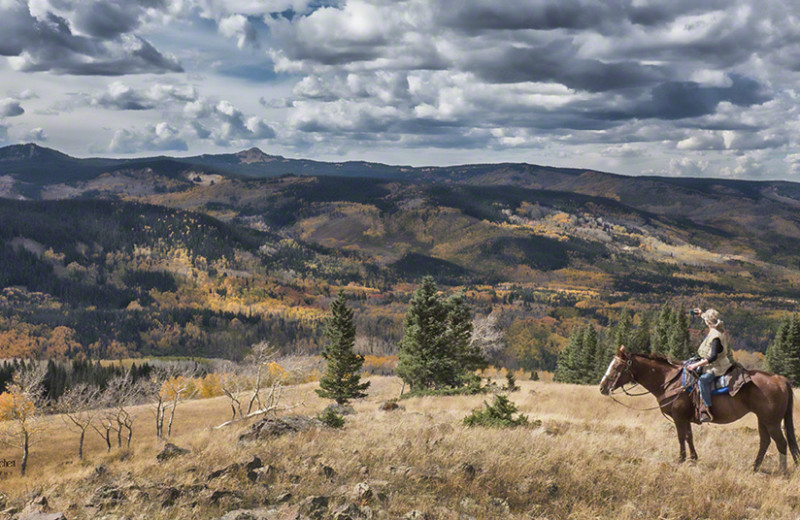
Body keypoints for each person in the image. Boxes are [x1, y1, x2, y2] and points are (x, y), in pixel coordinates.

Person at [686, 308, 732, 423]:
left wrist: (695, 364)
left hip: (717, 366)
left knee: (702, 381)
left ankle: (706, 409)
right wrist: (702, 314)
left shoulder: (715, 336)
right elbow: (710, 320)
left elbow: (712, 358)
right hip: (713, 364)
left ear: (708, 322)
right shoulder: (717, 328)